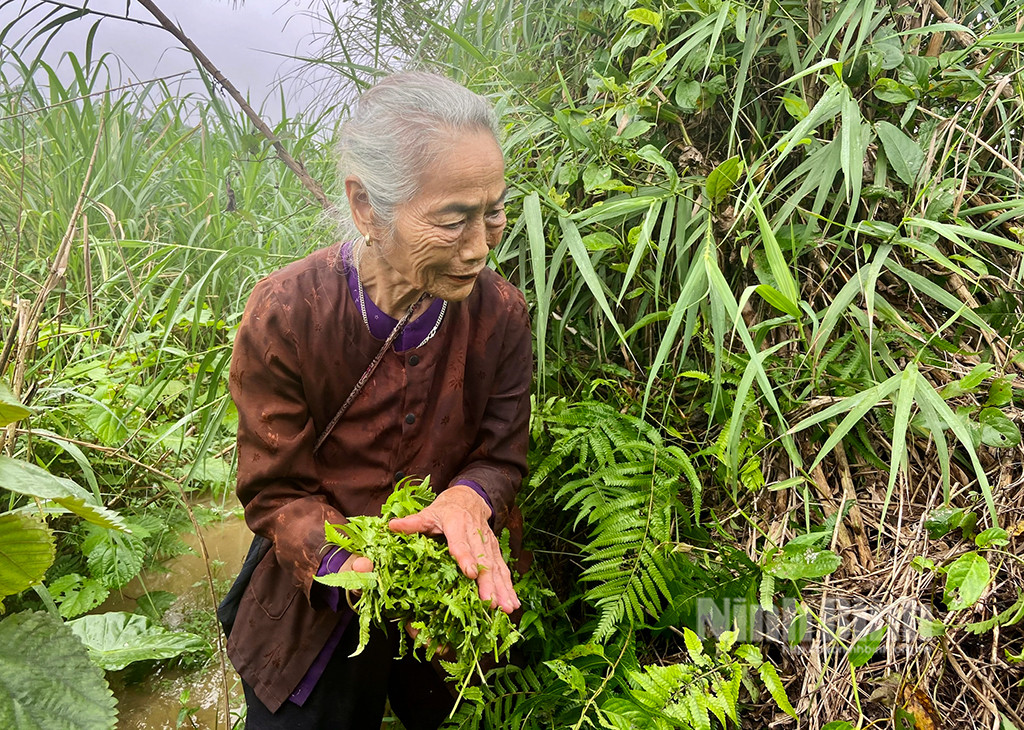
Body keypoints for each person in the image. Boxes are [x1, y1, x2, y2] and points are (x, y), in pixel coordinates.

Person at [225, 71, 532, 729]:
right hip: (316, 604)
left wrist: (465, 499)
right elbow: (274, 494)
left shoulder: (501, 315)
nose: (479, 247)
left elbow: (501, 455)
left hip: (445, 593)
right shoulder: (287, 311)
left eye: (494, 212)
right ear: (366, 207)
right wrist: (350, 567)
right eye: (453, 221)